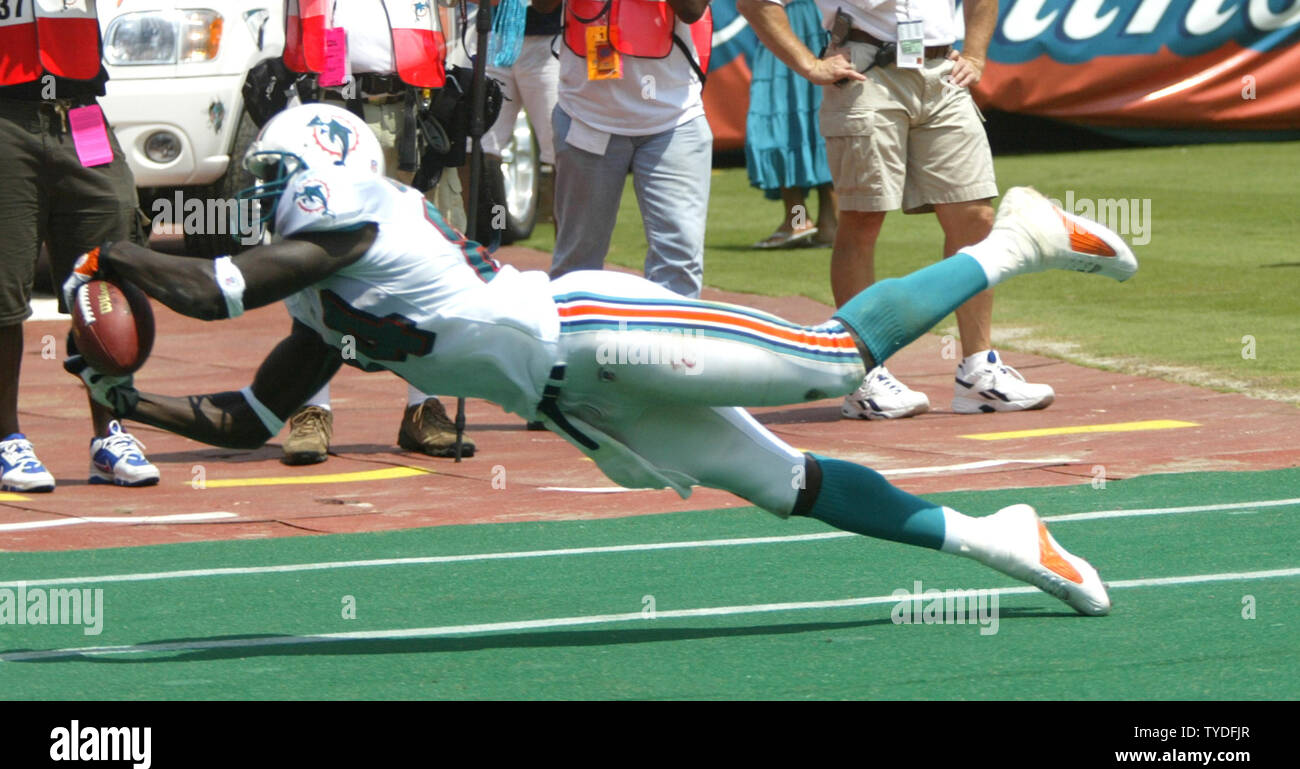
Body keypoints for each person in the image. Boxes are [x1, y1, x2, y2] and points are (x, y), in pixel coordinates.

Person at [63, 103, 1137, 616]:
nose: (255, 200)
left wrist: (112, 248)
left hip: (597, 332)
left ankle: (1019, 235)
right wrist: (130, 399)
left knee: (828, 362)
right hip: (575, 403)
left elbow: (206, 291)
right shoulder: (325, 300)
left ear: (321, 173)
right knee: (787, 482)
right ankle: (999, 538)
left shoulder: (357, 229)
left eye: (271, 177)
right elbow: (251, 421)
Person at [738, 0, 1057, 421]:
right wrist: (809, 65)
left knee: (975, 216)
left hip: (943, 72)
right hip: (864, 70)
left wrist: (977, 54)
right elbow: (755, 3)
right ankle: (862, 376)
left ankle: (979, 373)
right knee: (862, 218)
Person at [277, 0, 474, 464]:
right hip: (327, 109)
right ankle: (311, 408)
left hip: (414, 109)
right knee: (313, 262)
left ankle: (424, 405)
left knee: (430, 264)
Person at [0, 0, 159, 491]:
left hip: (80, 115)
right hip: (6, 115)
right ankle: (6, 439)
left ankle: (110, 434)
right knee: (3, 291)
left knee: (107, 274)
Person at [535, 0, 714, 298]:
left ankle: (668, 341)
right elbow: (543, 6)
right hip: (587, 117)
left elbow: (692, 9)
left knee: (679, 260)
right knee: (577, 263)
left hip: (673, 120)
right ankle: (575, 341)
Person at [745, 0, 837, 250]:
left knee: (789, 123)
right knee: (806, 122)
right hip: (811, 19)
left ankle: (803, 220)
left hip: (787, 20)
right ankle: (819, 223)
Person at [482, 6, 562, 228]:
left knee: (561, 151)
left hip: (548, 42)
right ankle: (491, 234)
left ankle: (567, 257)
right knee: (480, 146)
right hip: (495, 38)